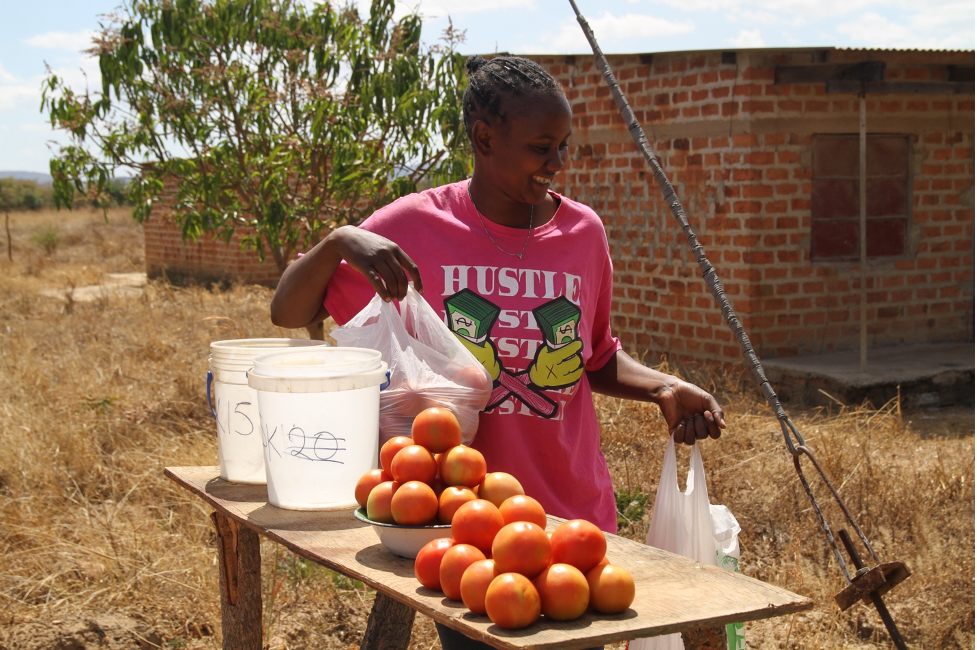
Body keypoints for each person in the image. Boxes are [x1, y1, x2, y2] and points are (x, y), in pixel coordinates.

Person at [271, 55, 725, 649]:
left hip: (573, 519)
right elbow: (289, 311)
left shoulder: (583, 233)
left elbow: (594, 356)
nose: (557, 165)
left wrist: (662, 386)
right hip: (469, 526)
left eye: (564, 147)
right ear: (485, 139)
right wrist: (338, 243)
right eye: (542, 148)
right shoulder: (415, 226)